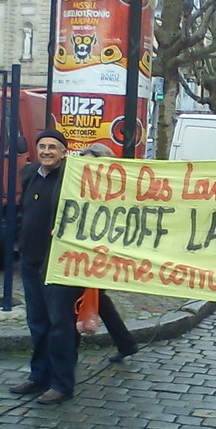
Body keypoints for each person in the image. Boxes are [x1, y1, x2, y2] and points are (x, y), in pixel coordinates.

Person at [11, 129, 82, 405]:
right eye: (42, 146)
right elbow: (23, 211)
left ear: (64, 152)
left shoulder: (71, 179)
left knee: (60, 325)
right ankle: (38, 376)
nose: (47, 151)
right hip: (31, 259)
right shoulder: (30, 175)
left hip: (58, 263)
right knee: (37, 323)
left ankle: (62, 383)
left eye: (53, 147)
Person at [77, 143, 138, 362]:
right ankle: (125, 342)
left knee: (85, 296)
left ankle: (69, 351)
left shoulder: (114, 190)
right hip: (81, 251)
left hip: (101, 252)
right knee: (93, 297)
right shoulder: (78, 186)